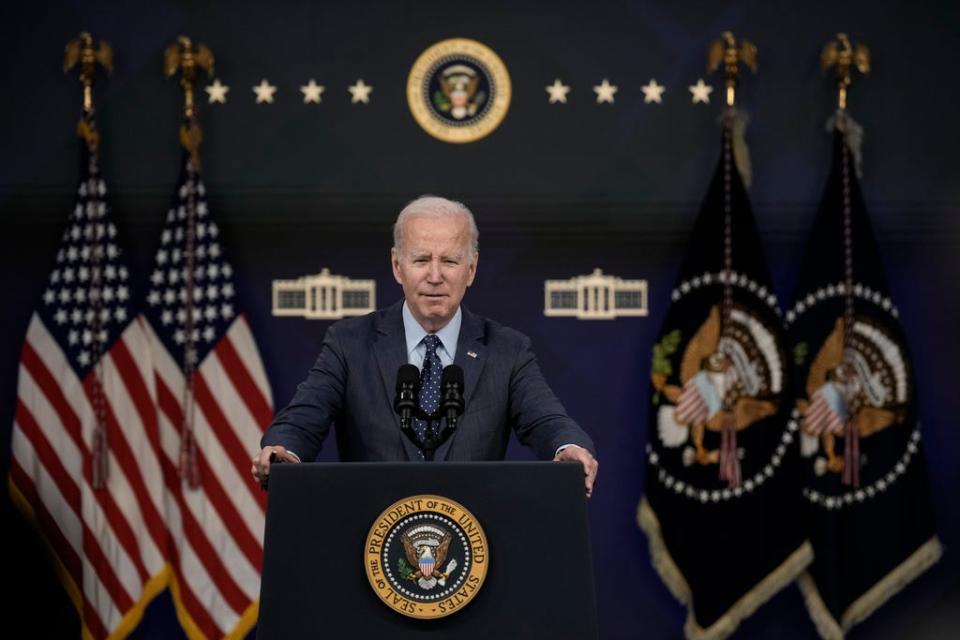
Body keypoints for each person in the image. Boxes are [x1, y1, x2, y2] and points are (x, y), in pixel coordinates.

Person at [251, 196, 599, 495]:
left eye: (449, 261)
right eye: (421, 260)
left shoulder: (507, 350)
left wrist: (568, 447)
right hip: (372, 535)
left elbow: (547, 420)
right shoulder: (350, 343)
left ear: (472, 269)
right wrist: (285, 450)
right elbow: (304, 416)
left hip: (472, 542)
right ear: (397, 266)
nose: (435, 276)